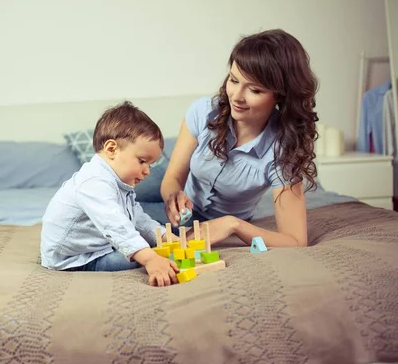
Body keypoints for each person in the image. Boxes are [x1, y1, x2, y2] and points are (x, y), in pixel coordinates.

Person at [161, 29, 318, 248]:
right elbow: (172, 178)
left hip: (225, 219)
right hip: (179, 197)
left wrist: (232, 225)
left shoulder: (282, 151)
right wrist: (172, 197)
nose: (236, 96)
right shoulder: (204, 111)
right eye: (234, 80)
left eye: (254, 90)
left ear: (280, 95)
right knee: (131, 178)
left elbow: (296, 241)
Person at [41, 101, 180, 287]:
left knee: (157, 246)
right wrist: (150, 259)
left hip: (95, 246)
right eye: (142, 161)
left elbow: (138, 219)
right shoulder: (93, 182)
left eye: (150, 164)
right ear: (112, 149)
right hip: (74, 258)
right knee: (140, 256)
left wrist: (166, 237)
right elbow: (116, 225)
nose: (147, 171)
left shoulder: (119, 184)